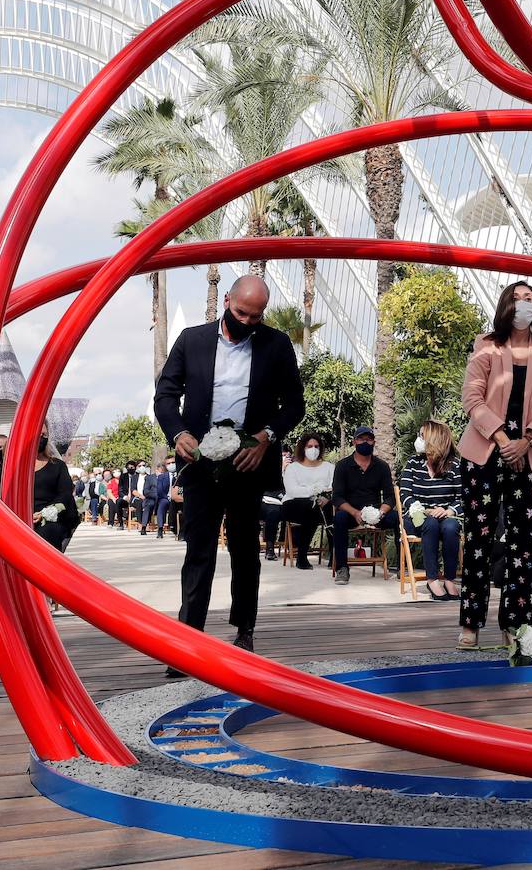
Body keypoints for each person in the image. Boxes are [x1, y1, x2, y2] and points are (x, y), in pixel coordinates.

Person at [154, 275, 305, 672]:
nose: (248, 322)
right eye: (241, 313)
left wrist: (266, 438)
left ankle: (244, 630)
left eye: (256, 317)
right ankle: (187, 641)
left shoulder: (276, 344)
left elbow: (293, 404)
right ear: (226, 301)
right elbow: (166, 396)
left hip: (248, 462)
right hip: (200, 463)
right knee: (199, 550)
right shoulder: (192, 340)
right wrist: (179, 433)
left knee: (243, 548)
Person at [456, 281, 532, 649]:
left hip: (528, 455)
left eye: (528, 299)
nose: (521, 305)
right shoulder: (486, 345)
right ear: (504, 306)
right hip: (485, 453)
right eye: (515, 299)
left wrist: (526, 440)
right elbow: (471, 397)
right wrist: (502, 440)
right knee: (479, 540)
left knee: (521, 543)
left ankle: (515, 625)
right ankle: (470, 623)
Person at [399, 420, 464, 601]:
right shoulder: (413, 463)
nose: (418, 440)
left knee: (451, 527)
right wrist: (424, 510)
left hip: (446, 516)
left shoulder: (454, 466)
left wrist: (450, 510)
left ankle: (450, 579)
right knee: (431, 524)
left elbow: (464, 498)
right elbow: (405, 494)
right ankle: (432, 579)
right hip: (416, 517)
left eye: (422, 436)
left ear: (434, 439)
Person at [0, 423, 81, 553]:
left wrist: (45, 514)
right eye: (37, 434)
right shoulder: (10, 466)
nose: (41, 438)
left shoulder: (57, 466)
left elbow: (65, 495)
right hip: (17, 521)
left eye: (44, 435)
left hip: (48, 522)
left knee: (46, 534)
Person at [330, 427, 397, 584]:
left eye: (369, 439)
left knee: (398, 519)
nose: (365, 442)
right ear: (354, 442)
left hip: (376, 513)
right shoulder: (342, 466)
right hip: (352, 513)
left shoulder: (382, 466)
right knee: (339, 519)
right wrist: (354, 513)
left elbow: (390, 497)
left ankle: (402, 565)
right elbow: (337, 498)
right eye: (361, 439)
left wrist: (381, 512)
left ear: (374, 442)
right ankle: (342, 568)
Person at [281, 433, 334, 570]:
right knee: (310, 507)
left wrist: (325, 496)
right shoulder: (293, 468)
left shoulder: (329, 467)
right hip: (294, 505)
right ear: (303, 448)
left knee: (331, 508)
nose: (313, 449)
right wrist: (316, 491)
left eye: (316, 446)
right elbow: (293, 491)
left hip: (323, 504)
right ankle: (302, 556)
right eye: (309, 446)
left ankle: (335, 555)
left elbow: (334, 487)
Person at [141, 460, 172, 538]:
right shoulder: (149, 478)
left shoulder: (166, 477)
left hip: (163, 498)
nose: (161, 473)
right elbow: (146, 491)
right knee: (149, 505)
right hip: (152, 498)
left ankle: (163, 527)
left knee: (162, 505)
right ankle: (144, 526)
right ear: (157, 470)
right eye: (160, 471)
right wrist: (156, 495)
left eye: (163, 472)